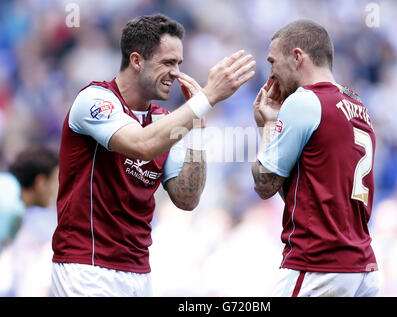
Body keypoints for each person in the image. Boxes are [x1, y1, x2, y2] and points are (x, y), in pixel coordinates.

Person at [51, 13, 255, 297]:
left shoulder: (163, 120)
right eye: (168, 62)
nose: (176, 73)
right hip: (87, 266)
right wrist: (206, 98)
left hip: (139, 273)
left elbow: (187, 198)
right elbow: (142, 144)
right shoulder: (95, 100)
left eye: (179, 64)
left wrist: (196, 129)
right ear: (136, 61)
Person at [251, 19, 380, 297]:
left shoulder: (305, 100)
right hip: (362, 268)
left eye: (273, 61)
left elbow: (264, 183)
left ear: (297, 57)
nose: (271, 74)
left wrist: (266, 127)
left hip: (318, 263)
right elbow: (310, 193)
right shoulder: (359, 107)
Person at [2, 145, 58, 296]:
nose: (56, 190)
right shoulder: (11, 208)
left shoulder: (7, 191)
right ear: (40, 182)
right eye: (54, 182)